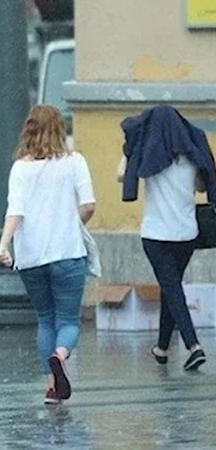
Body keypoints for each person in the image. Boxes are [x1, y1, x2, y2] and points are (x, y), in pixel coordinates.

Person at [0, 105, 96, 405]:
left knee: (45, 319)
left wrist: (3, 244)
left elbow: (16, 211)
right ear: (59, 129)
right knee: (68, 320)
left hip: (31, 259)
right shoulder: (74, 162)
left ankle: (53, 387)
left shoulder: (20, 168)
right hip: (67, 253)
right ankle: (60, 355)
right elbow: (89, 205)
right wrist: (71, 221)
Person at [117, 105, 213, 372]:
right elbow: (202, 186)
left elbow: (120, 175)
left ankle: (194, 346)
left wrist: (128, 151)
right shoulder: (192, 157)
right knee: (171, 288)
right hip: (186, 234)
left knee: (172, 289)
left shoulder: (149, 155)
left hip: (156, 235)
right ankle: (161, 348)